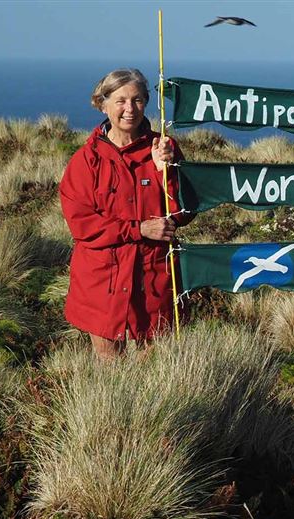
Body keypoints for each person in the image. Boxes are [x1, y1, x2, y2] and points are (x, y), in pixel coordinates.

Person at [60, 68, 189, 358]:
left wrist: (163, 172)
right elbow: (83, 226)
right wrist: (139, 229)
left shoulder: (165, 149)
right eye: (120, 101)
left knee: (155, 366)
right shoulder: (86, 160)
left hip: (154, 277)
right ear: (102, 104)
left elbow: (182, 211)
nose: (129, 109)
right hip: (101, 282)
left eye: (138, 100)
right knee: (109, 368)